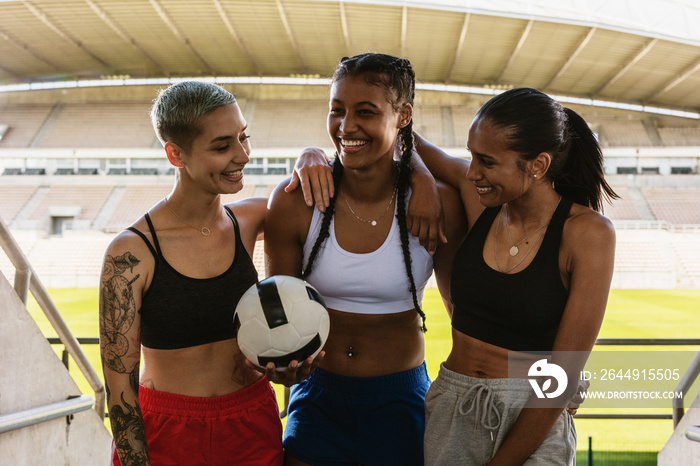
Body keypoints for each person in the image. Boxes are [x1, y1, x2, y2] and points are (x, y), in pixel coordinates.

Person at [99, 80, 323, 466]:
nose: (243, 155)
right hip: (166, 433)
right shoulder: (131, 253)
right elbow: (120, 388)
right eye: (222, 146)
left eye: (243, 137)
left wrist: (311, 153)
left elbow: (322, 185)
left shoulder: (252, 219)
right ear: (176, 154)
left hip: (251, 424)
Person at [264, 53, 466, 466]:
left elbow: (464, 317)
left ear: (403, 115)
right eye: (337, 110)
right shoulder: (294, 201)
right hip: (317, 400)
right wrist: (281, 363)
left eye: (366, 112)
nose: (346, 126)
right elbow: (278, 309)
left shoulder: (438, 203)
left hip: (400, 398)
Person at [413, 87, 617, 465]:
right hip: (453, 410)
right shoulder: (479, 198)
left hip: (535, 417)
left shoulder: (589, 234)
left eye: (486, 161)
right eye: (472, 155)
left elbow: (562, 376)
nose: (472, 171)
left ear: (538, 165)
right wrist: (423, 180)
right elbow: (405, 141)